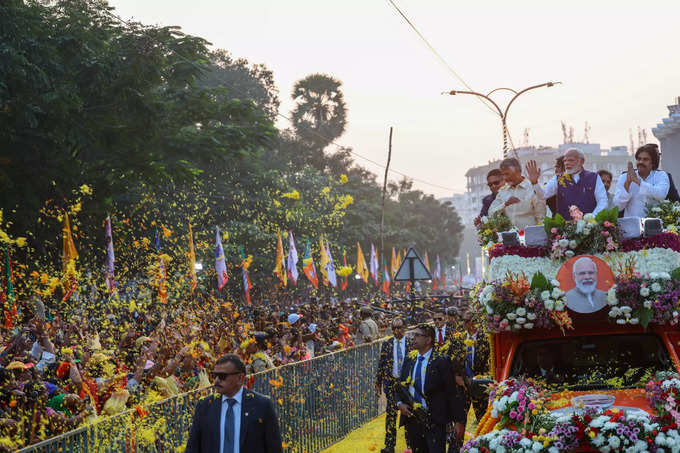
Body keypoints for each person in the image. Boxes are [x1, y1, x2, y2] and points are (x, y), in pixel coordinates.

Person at [185, 354, 282, 453]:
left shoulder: (262, 405)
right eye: (215, 375)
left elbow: (274, 448)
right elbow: (193, 447)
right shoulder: (205, 406)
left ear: (240, 378)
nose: (217, 380)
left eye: (222, 376)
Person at [397, 324, 465, 453]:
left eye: (417, 335)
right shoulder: (409, 359)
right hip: (413, 419)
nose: (413, 338)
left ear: (428, 340)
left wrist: (458, 421)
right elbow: (400, 387)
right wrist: (399, 403)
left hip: (435, 420)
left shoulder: (441, 361)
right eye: (413, 335)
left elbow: (452, 392)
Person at [526, 148, 608, 219]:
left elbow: (603, 201)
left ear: (582, 161)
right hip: (565, 231)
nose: (566, 163)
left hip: (589, 228)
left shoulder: (593, 177)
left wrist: (591, 219)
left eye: (571, 160)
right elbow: (543, 195)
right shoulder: (558, 178)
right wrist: (535, 183)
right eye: (565, 160)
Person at [376, 318, 411, 453]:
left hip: (407, 385)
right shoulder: (387, 344)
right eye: (394, 328)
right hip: (391, 383)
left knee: (408, 414)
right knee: (390, 415)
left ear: (404, 328)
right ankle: (390, 445)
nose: (397, 331)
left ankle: (410, 444)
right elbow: (381, 364)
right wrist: (378, 383)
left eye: (399, 327)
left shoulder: (410, 343)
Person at [488, 157, 546, 230]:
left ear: (518, 171)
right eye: (503, 174)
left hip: (529, 237)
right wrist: (505, 204)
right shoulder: (503, 191)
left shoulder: (531, 188)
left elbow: (541, 216)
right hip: (509, 238)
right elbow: (491, 213)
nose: (505, 178)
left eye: (507, 174)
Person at [613, 144, 669, 217]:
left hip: (654, 225)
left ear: (653, 163)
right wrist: (627, 184)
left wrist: (638, 181)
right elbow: (618, 207)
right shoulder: (624, 177)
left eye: (645, 159)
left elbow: (661, 194)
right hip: (631, 225)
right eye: (639, 159)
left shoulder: (661, 175)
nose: (641, 162)